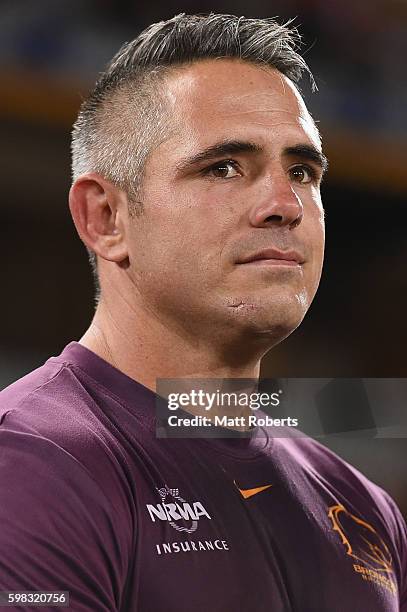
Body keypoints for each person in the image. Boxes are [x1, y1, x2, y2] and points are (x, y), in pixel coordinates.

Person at [0, 13, 406, 612]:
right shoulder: (31, 470)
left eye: (302, 171)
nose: (284, 205)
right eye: (223, 167)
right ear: (105, 218)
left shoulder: (363, 506)